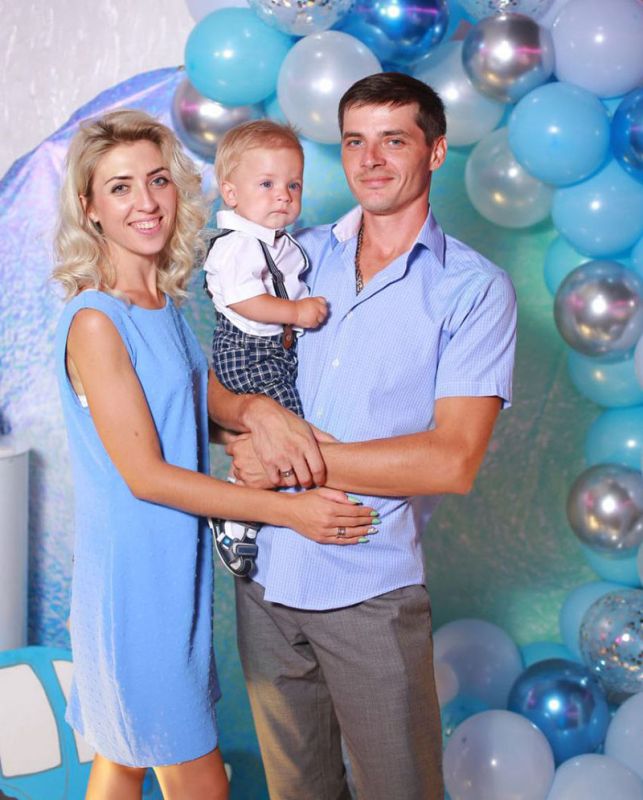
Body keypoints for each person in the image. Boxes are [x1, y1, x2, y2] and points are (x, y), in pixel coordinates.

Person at [208, 73, 517, 800]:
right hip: (265, 578)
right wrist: (256, 416)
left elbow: (451, 461)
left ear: (435, 151)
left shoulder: (473, 289)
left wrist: (290, 464)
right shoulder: (291, 257)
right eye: (354, 141)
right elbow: (218, 389)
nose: (370, 159)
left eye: (393, 140)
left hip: (368, 587)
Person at [52, 109, 375, 800]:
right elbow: (146, 476)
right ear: (90, 207)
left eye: (157, 179)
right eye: (120, 187)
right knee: (193, 776)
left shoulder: (159, 304)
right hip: (137, 582)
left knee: (123, 759)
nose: (146, 202)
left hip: (170, 569)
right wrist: (290, 512)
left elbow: (191, 409)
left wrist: (265, 428)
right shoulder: (97, 320)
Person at [203, 121, 330, 576]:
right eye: (267, 184)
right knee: (288, 427)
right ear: (231, 193)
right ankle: (236, 506)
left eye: (293, 185)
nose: (283, 196)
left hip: (272, 349)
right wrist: (295, 313)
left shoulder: (277, 243)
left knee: (282, 426)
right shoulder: (238, 245)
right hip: (248, 351)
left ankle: (244, 508)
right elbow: (243, 300)